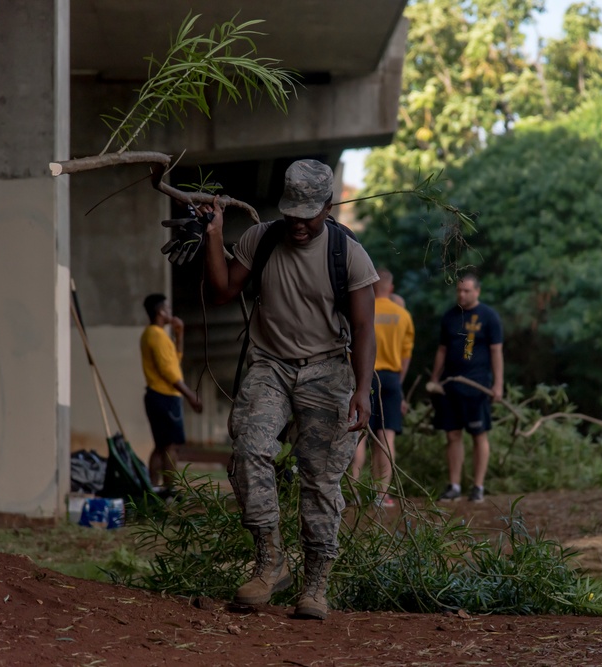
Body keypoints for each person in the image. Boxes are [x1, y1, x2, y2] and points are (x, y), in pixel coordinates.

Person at [204, 159, 378, 620]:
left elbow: (363, 327)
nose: (299, 224)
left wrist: (362, 390)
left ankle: (315, 585)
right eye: (292, 213)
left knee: (320, 479)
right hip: (270, 367)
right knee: (249, 449)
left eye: (309, 214)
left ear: (328, 206)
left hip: (327, 369)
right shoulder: (260, 239)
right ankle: (269, 562)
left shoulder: (349, 254)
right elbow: (222, 291)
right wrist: (215, 236)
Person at [428, 274, 504, 503]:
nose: (462, 295)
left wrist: (498, 384)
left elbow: (496, 351)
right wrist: (435, 379)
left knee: (478, 434)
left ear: (477, 291)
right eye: (459, 291)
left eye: (467, 291)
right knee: (452, 435)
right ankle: (454, 485)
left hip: (477, 386)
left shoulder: (489, 317)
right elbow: (442, 350)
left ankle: (478, 487)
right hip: (450, 385)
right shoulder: (450, 316)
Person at [350, 268, 414, 509]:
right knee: (386, 439)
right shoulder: (403, 315)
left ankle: (353, 491)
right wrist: (398, 382)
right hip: (391, 378)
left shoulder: (363, 310)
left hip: (365, 377)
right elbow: (406, 355)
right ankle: (381, 496)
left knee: (359, 434)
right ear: (391, 288)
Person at [140, 294, 203, 488]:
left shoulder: (155, 334)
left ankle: (154, 489)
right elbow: (168, 371)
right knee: (169, 448)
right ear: (161, 312)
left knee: (161, 446)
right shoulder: (156, 335)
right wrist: (190, 395)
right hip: (164, 396)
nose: (170, 312)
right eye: (168, 308)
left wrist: (179, 334)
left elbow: (175, 361)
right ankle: (169, 491)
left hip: (160, 396)